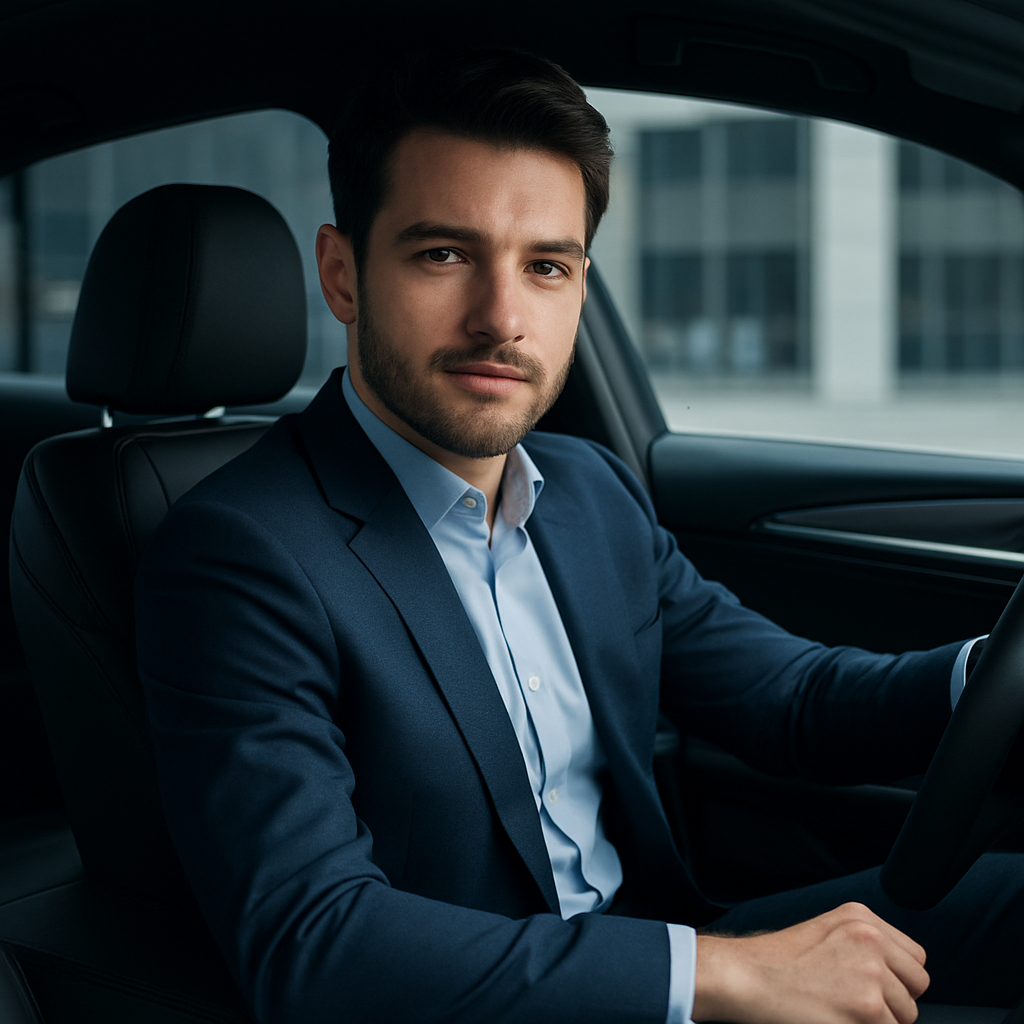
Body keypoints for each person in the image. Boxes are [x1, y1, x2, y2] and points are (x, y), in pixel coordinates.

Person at [134, 49, 1020, 1024]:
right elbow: (316, 943)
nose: (501, 318)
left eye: (545, 266)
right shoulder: (238, 557)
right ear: (343, 275)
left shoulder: (589, 494)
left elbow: (790, 701)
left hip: (662, 945)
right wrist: (714, 977)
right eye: (443, 255)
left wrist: (986, 676)